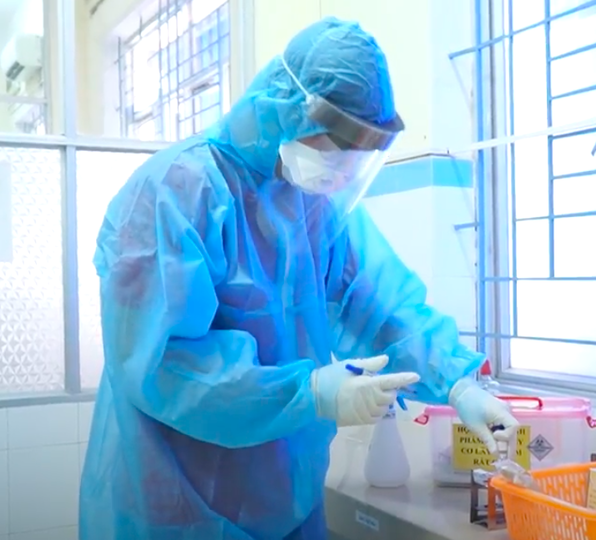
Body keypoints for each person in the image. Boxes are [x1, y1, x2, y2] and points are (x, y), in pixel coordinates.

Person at [79, 17, 519, 540]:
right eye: (332, 145)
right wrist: (307, 392)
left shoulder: (314, 207)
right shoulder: (174, 192)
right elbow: (161, 363)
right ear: (288, 108)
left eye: (354, 155)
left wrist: (458, 382)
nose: (339, 168)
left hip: (289, 504)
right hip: (176, 506)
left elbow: (379, 305)